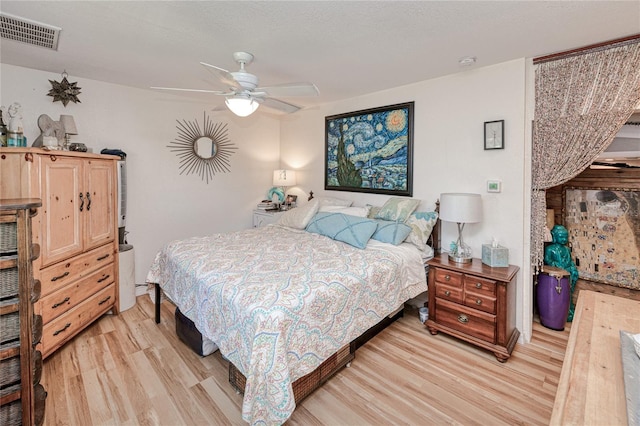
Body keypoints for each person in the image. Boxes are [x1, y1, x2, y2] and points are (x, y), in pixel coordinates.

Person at [544, 225, 579, 321]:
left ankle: (568, 309)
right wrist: (556, 265)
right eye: (561, 236)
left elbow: (570, 261)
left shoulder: (566, 249)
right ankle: (558, 310)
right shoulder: (550, 249)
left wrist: (571, 267)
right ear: (554, 237)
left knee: (568, 293)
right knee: (558, 293)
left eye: (565, 237)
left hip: (568, 274)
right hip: (556, 275)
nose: (564, 239)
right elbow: (547, 260)